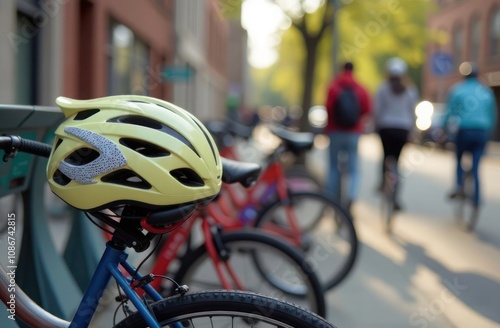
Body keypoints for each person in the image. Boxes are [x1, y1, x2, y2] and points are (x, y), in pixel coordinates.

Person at [442, 61, 498, 211]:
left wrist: (444, 128)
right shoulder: (486, 92)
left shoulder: (457, 90)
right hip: (481, 132)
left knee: (459, 159)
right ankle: (476, 200)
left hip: (464, 131)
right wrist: (489, 131)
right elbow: (492, 115)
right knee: (476, 167)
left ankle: (460, 187)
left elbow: (449, 113)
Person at [324, 62, 371, 213]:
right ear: (353, 70)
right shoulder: (360, 88)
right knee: (353, 169)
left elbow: (328, 108)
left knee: (332, 167)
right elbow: (366, 109)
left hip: (335, 131)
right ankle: (351, 195)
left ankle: (331, 199)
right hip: (353, 132)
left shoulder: (333, 86)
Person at [373, 57, 419, 210]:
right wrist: (414, 132)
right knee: (397, 163)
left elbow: (377, 111)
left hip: (385, 128)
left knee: (386, 157)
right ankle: (396, 196)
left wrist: (374, 125)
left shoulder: (383, 88)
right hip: (403, 130)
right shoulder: (410, 90)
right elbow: (413, 113)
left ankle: (382, 183)